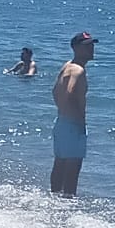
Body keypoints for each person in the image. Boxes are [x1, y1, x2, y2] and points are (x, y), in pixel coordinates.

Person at [50, 32, 97, 197]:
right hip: (72, 125)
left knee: (60, 164)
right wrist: (77, 117)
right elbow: (69, 92)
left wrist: (62, 110)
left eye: (92, 44)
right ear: (76, 48)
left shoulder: (67, 66)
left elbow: (55, 91)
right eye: (87, 46)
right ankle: (68, 206)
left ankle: (54, 200)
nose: (92, 48)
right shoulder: (78, 70)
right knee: (72, 170)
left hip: (61, 121)